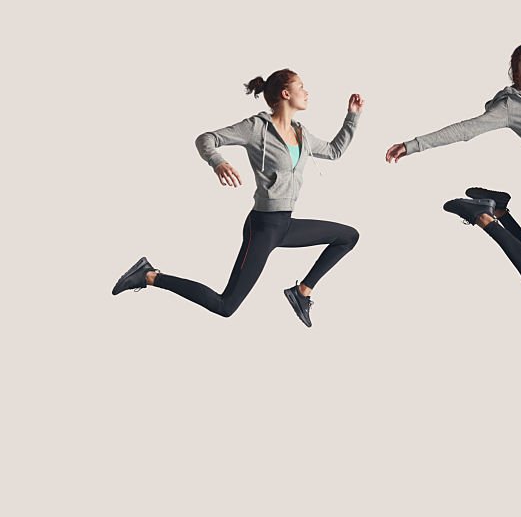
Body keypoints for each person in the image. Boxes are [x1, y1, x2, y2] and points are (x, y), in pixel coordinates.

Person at [112, 69, 363, 328]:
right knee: (225, 306)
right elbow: (206, 139)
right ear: (286, 93)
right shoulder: (256, 128)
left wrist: (352, 116)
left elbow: (334, 151)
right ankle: (149, 276)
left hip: (285, 226)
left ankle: (302, 293)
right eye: (301, 86)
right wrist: (218, 162)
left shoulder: (302, 134)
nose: (307, 92)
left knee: (348, 236)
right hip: (263, 228)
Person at [385, 0, 521, 293]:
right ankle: (482, 216)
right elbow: (465, 129)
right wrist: (413, 145)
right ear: (517, 74)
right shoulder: (510, 108)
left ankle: (500, 210)